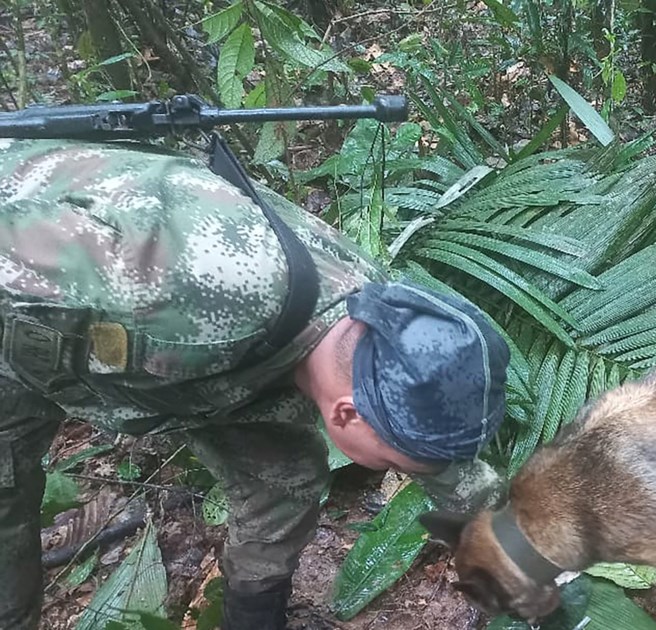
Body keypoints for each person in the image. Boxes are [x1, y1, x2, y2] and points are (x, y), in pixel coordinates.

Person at [0, 137, 511, 629]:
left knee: (283, 483)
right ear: (346, 414)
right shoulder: (180, 308)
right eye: (395, 463)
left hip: (214, 357)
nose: (402, 469)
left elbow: (434, 458)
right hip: (28, 307)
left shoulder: (377, 321)